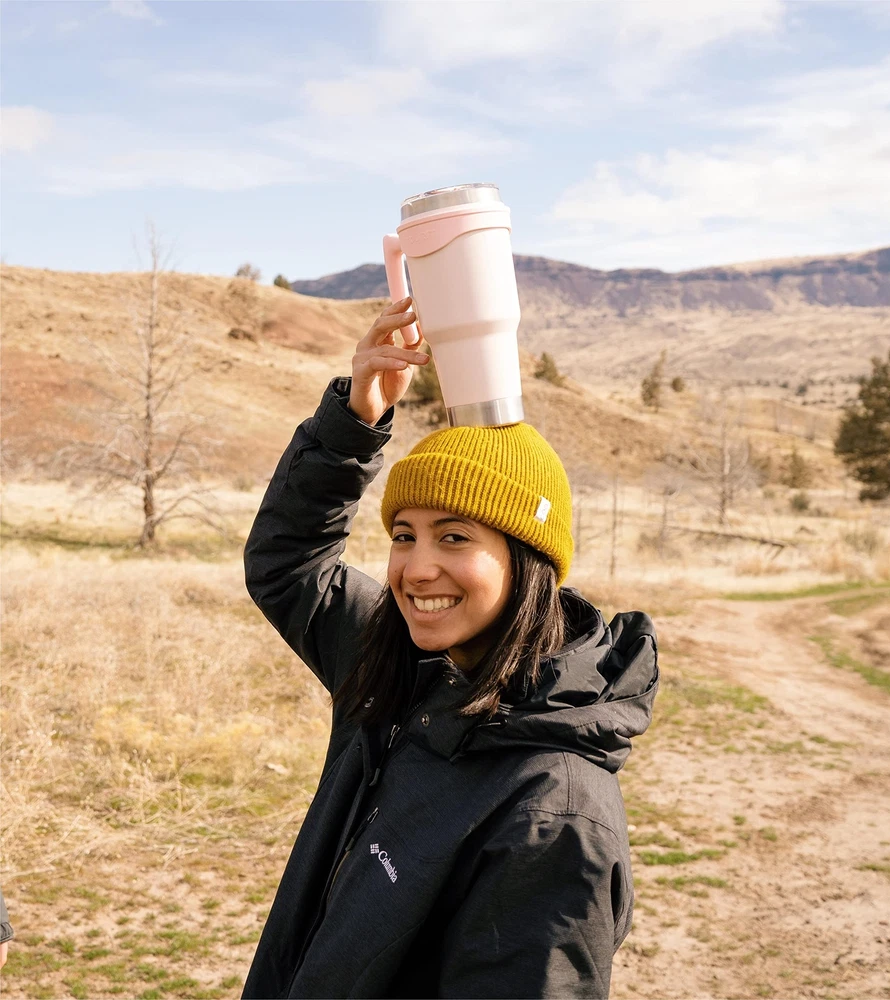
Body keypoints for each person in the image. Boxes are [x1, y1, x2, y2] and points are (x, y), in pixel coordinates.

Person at [242, 297, 658, 999]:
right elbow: (288, 566)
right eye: (404, 535)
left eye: (455, 537)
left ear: (527, 561)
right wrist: (353, 424)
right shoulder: (396, 667)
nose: (417, 569)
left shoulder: (554, 814)